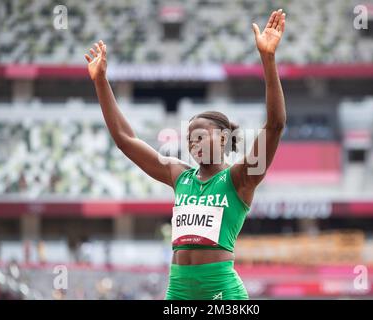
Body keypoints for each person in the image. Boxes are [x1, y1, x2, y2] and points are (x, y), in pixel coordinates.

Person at [84, 9, 287, 300]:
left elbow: (276, 125)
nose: (194, 144)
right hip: (178, 288)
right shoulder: (179, 175)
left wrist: (268, 58)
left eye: (201, 136)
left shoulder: (240, 178)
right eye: (190, 139)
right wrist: (101, 81)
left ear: (224, 137)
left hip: (221, 289)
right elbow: (125, 140)